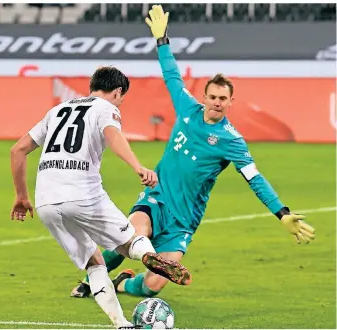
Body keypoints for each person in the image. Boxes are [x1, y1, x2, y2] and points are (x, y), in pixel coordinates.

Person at [71, 5, 316, 300]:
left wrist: (282, 214)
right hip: (157, 198)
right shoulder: (188, 109)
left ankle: (122, 282)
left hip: (184, 219)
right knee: (130, 236)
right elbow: (171, 75)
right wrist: (162, 40)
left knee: (153, 286)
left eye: (222, 99)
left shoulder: (232, 141)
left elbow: (255, 179)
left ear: (230, 102)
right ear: (205, 97)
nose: (216, 102)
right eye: (212, 96)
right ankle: (90, 281)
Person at [10, 65, 191, 329]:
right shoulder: (106, 108)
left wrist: (21, 196)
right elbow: (112, 134)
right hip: (83, 193)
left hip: (46, 202)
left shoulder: (57, 110)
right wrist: (137, 166)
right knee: (129, 242)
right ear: (117, 92)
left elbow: (18, 150)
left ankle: (121, 324)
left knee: (94, 263)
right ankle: (149, 256)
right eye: (123, 97)